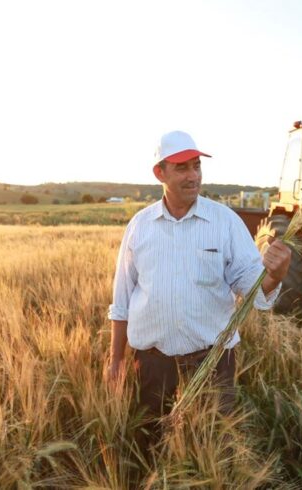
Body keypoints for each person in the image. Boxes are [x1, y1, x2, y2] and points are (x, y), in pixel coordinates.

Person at [105, 130, 292, 448]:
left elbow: (253, 289)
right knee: (152, 443)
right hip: (153, 363)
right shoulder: (140, 226)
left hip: (213, 362)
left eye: (196, 166)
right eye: (182, 168)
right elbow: (122, 298)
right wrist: (116, 359)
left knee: (213, 445)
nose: (193, 176)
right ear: (159, 173)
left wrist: (275, 274)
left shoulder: (226, 222)